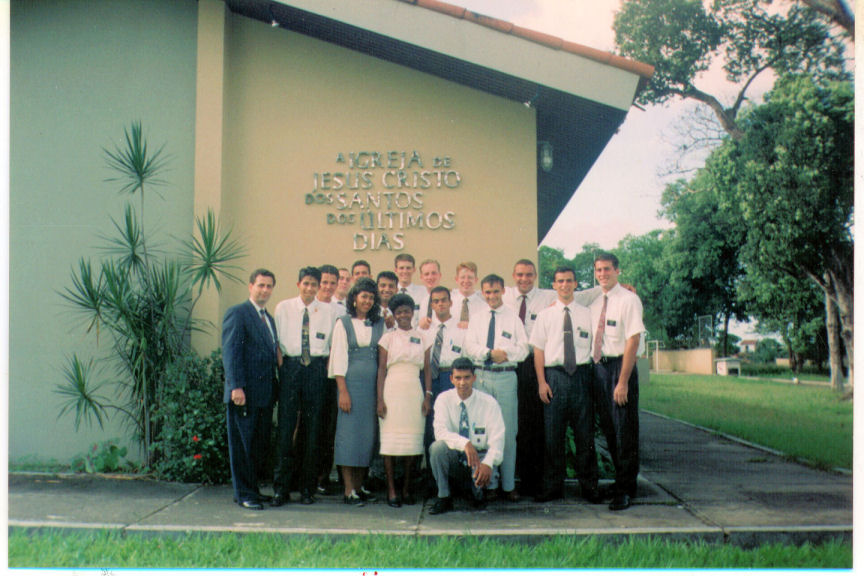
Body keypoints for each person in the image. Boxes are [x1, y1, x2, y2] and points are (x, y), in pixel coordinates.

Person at [530, 265, 600, 504]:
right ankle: (552, 487)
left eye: (569, 281)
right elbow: (538, 350)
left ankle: (589, 487)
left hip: (581, 376)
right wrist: (542, 382)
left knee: (584, 435)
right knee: (553, 436)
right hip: (554, 377)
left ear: (575, 284)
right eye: (560, 281)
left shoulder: (586, 313)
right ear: (554, 285)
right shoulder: (545, 315)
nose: (564, 285)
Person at [271, 267, 337, 506]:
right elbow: (276, 342)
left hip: (317, 370)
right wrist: (285, 368)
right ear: (298, 284)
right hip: (291, 367)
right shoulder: (284, 308)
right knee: (286, 428)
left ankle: (307, 488)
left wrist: (322, 369)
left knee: (313, 430)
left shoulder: (328, 311)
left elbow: (332, 345)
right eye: (306, 284)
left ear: (319, 287)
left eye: (314, 285)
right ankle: (281, 488)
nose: (310, 288)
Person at [464, 273, 529, 502]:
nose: (492, 296)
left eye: (496, 291)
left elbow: (524, 349)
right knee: (483, 431)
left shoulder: (513, 318)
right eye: (488, 292)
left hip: (505, 377)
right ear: (483, 294)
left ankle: (508, 485)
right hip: (482, 377)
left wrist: (505, 354)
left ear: (503, 291)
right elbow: (469, 347)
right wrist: (489, 354)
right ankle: (488, 483)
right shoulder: (478, 318)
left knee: (508, 433)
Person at [590, 252, 645, 511]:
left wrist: (622, 382)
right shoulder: (594, 302)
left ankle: (625, 490)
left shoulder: (629, 300)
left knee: (624, 430)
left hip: (619, 367)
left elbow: (632, 341)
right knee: (610, 430)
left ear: (617, 271)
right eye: (599, 270)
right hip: (599, 369)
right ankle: (622, 482)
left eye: (607, 269)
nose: (603, 274)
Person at [222, 269, 279, 510]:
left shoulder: (268, 318)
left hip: (264, 395)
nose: (264, 290)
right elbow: (231, 352)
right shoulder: (238, 313)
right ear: (250, 286)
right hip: (243, 395)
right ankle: (244, 494)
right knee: (243, 446)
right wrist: (236, 387)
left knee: (257, 448)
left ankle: (252, 490)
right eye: (261, 285)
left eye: (269, 286)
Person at [502, 258, 556, 497]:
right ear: (513, 276)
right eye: (520, 275)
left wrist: (623, 286)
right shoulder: (503, 296)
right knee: (512, 423)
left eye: (529, 275)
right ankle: (508, 480)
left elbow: (581, 295)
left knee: (532, 424)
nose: (524, 279)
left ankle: (531, 481)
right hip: (509, 363)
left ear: (535, 277)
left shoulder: (546, 297)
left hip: (533, 364)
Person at [329, 277, 385, 506]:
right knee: (348, 438)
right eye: (364, 296)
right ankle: (348, 490)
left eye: (371, 298)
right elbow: (338, 360)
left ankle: (360, 487)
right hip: (351, 386)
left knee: (367, 438)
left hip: (372, 388)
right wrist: (343, 391)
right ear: (354, 298)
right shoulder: (343, 323)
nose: (367, 301)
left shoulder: (379, 323)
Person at [376, 293, 433, 507]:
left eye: (407, 311)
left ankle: (407, 489)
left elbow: (427, 369)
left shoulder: (423, 337)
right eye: (398, 312)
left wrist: (428, 396)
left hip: (413, 390)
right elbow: (381, 369)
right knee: (390, 442)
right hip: (392, 389)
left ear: (412, 313)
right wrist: (379, 399)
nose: (403, 315)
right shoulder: (387, 338)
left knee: (412, 443)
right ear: (394, 314)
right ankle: (391, 490)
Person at [428, 357, 505, 515]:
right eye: (458, 378)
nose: (462, 383)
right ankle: (444, 497)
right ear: (451, 379)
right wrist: (464, 443)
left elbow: (498, 440)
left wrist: (488, 464)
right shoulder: (443, 399)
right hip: (456, 457)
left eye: (467, 377)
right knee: (437, 448)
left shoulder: (489, 403)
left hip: (480, 458)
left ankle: (476, 492)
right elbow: (440, 432)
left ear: (474, 378)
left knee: (478, 498)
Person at [420, 286, 465, 470]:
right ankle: (432, 478)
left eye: (443, 300)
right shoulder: (423, 329)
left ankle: (452, 475)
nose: (440, 304)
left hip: (450, 377)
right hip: (428, 378)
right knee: (429, 425)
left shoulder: (461, 328)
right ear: (431, 305)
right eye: (436, 301)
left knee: (451, 424)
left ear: (451, 303)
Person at [450, 262, 485, 329]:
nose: (466, 281)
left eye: (470, 277)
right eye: (462, 277)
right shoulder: (448, 303)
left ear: (476, 280)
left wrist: (471, 326)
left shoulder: (483, 306)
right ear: (456, 279)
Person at [393, 253, 426, 325]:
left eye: (408, 268)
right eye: (401, 268)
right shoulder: (390, 293)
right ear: (395, 270)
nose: (405, 271)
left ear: (414, 270)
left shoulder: (423, 292)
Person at [417, 259, 442, 329]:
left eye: (433, 273)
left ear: (440, 275)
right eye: (426, 274)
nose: (430, 277)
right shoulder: (423, 301)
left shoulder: (450, 299)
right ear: (421, 278)